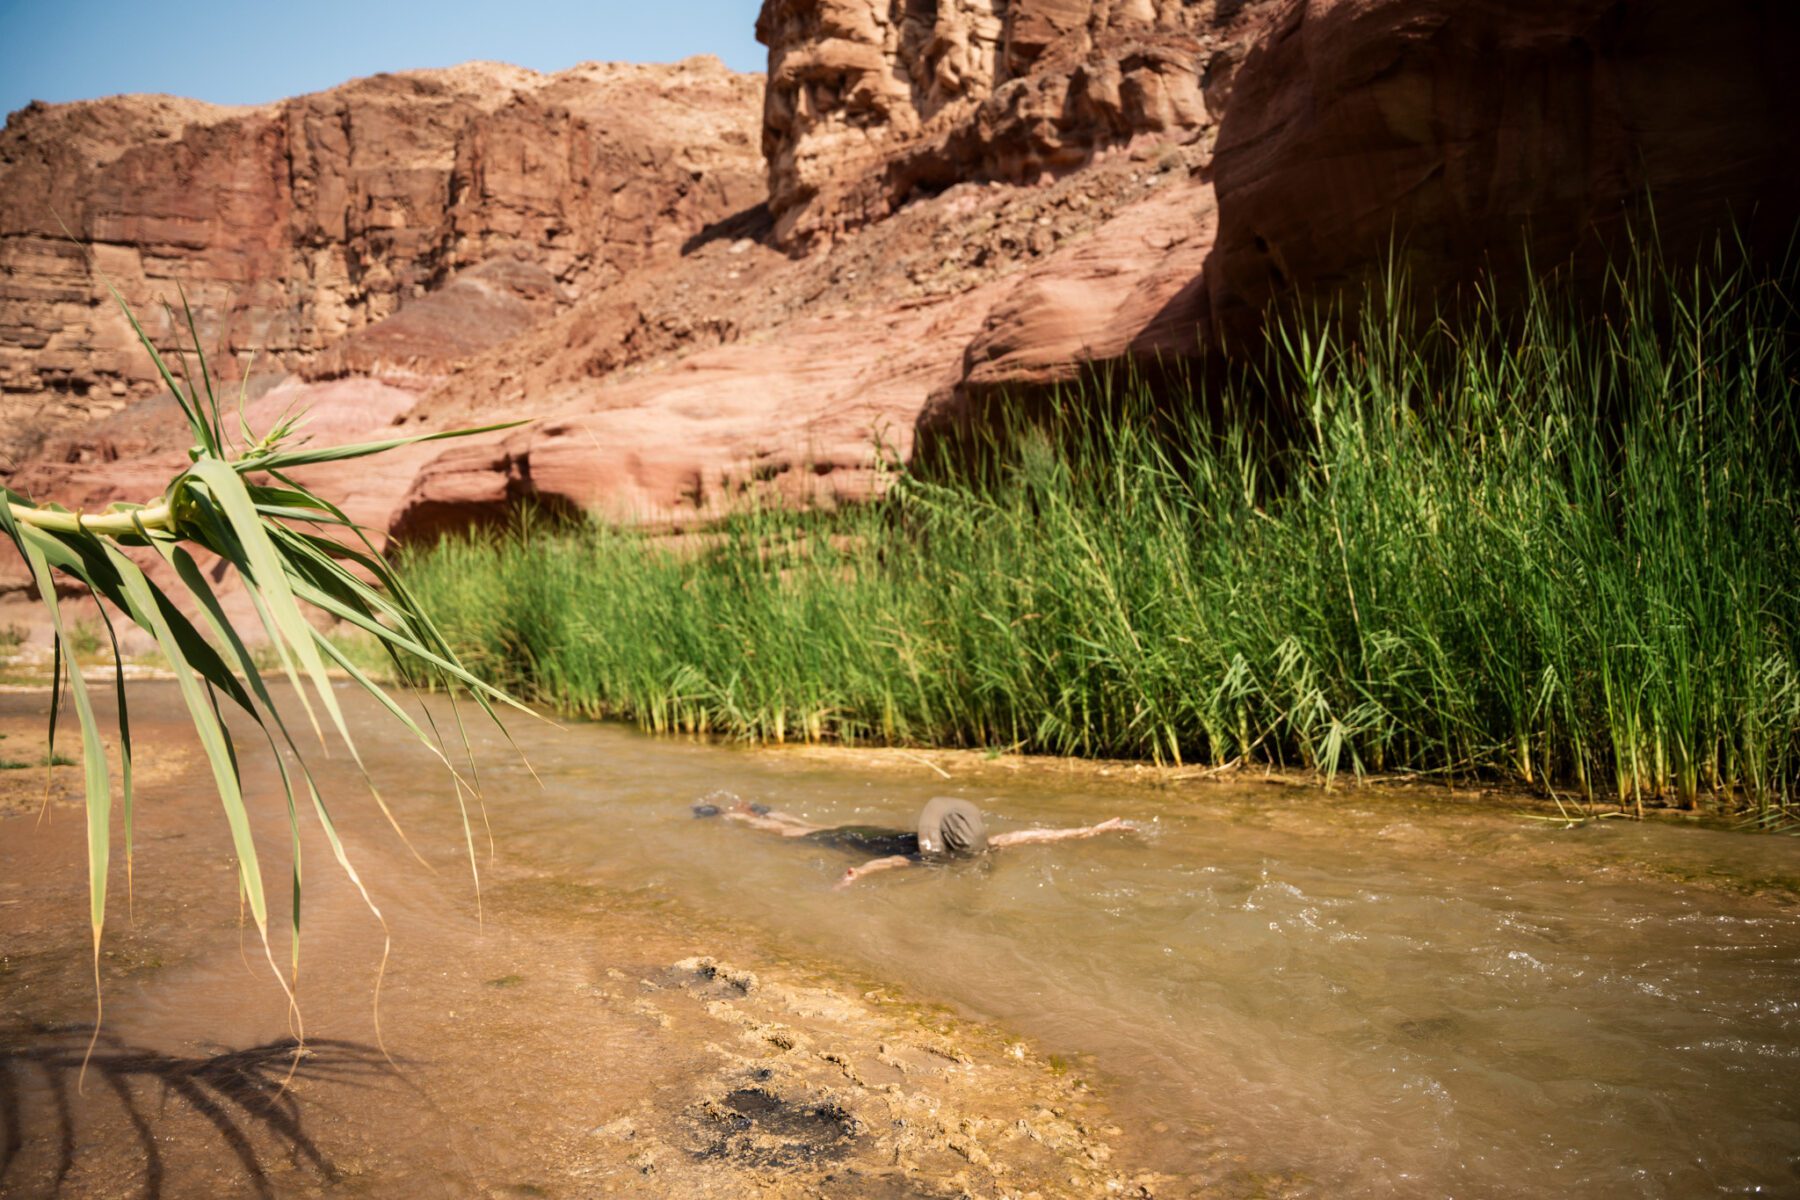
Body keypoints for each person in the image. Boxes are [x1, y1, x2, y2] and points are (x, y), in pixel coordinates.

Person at [703, 795, 1136, 887]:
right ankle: (739, 815)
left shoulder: (985, 845)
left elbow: (1034, 836)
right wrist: (857, 872)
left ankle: (760, 809)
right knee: (796, 833)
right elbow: (888, 865)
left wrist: (1093, 830)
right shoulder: (923, 858)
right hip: (865, 841)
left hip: (872, 829)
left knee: (811, 824)